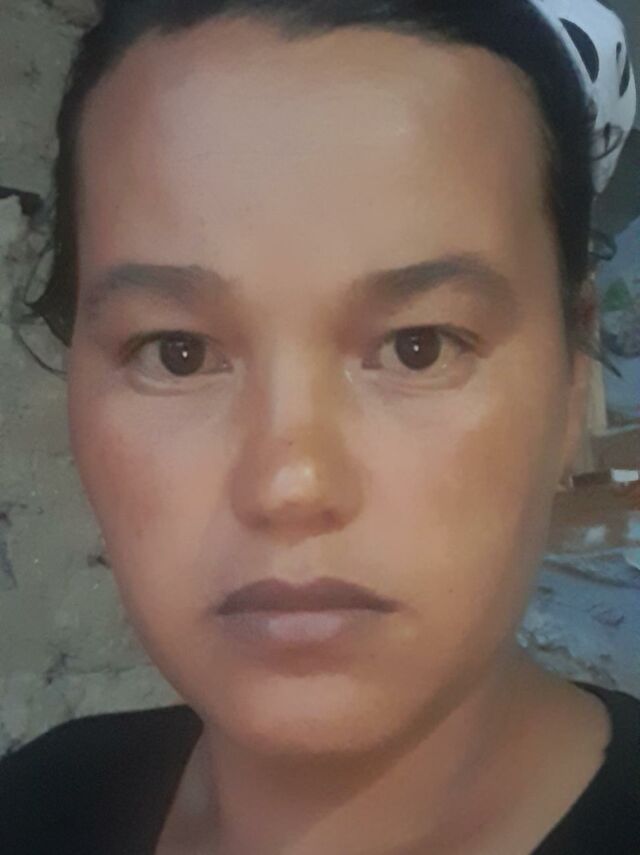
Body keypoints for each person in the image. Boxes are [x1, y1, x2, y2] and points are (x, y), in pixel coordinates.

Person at [0, 0, 638, 852]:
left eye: (418, 347)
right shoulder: (39, 802)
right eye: (178, 353)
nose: (290, 484)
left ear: (572, 378)